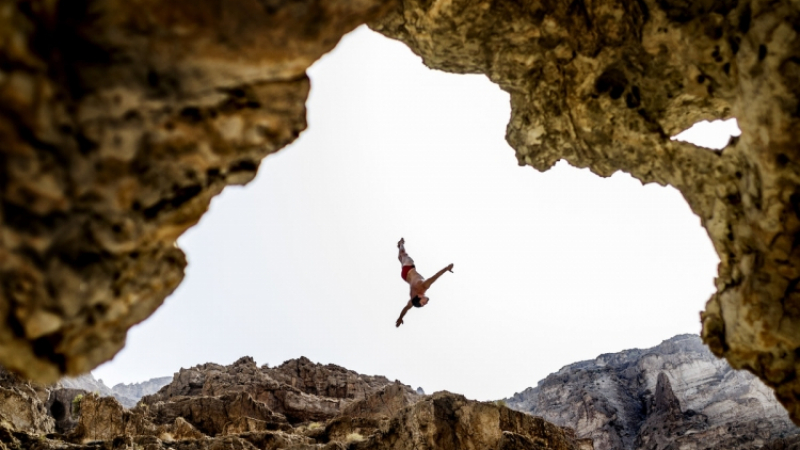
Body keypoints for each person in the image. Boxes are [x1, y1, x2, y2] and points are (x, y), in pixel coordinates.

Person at [395, 238, 453, 327]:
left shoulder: (423, 287)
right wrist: (400, 317)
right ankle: (400, 248)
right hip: (405, 277)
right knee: (401, 258)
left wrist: (446, 268)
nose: (426, 303)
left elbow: (435, 277)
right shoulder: (413, 301)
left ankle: (401, 243)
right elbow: (406, 308)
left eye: (423, 303)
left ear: (419, 297)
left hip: (409, 268)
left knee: (403, 255)